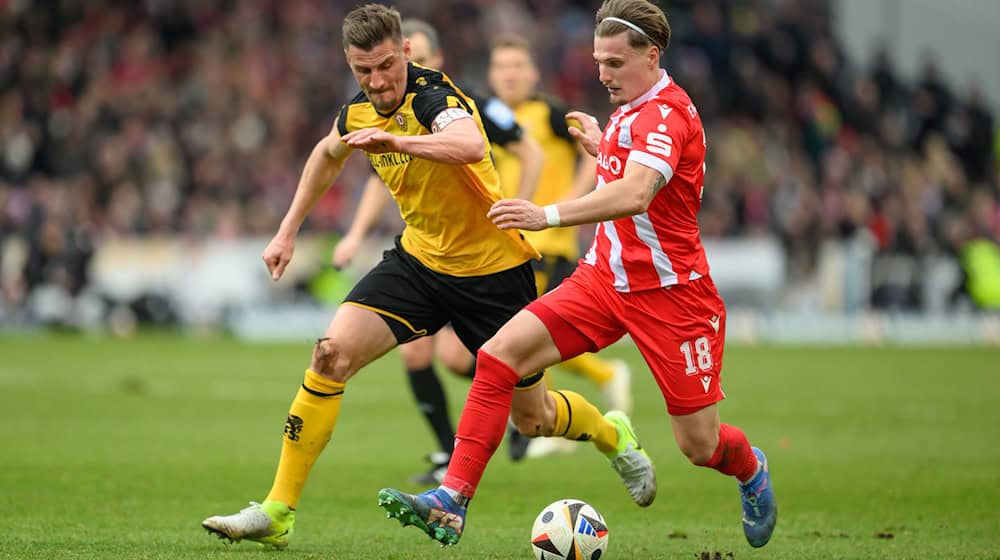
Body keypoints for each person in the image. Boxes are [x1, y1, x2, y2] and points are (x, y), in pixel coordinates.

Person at [201, 3, 652, 549]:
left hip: (494, 273)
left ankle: (611, 432)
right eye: (363, 71)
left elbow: (466, 144)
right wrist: (287, 229)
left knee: (533, 419)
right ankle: (277, 510)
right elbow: (326, 154)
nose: (377, 81)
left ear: (407, 53)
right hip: (418, 264)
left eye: (387, 66)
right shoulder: (358, 111)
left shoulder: (435, 96)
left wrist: (399, 142)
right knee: (329, 355)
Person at [378, 0, 777, 549]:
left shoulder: (667, 114)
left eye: (614, 62)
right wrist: (603, 144)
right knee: (497, 355)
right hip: (602, 282)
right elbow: (628, 168)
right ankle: (452, 499)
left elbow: (638, 192)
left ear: (652, 55)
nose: (602, 73)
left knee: (699, 446)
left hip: (672, 296)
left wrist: (547, 214)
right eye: (598, 61)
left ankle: (749, 469)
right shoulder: (630, 110)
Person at [331, 18, 546, 485]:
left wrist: (523, 209)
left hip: (489, 255)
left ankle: (533, 414)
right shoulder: (381, 110)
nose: (384, 81)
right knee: (415, 355)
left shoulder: (470, 104)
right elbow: (376, 173)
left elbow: (529, 151)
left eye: (415, 61)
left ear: (425, 59)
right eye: (370, 70)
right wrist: (354, 235)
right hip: (426, 256)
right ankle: (447, 452)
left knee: (473, 365)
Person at [488, 33, 635, 457]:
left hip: (549, 238)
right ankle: (602, 378)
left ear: (532, 73)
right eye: (502, 67)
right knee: (525, 331)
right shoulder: (492, 119)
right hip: (514, 239)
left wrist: (571, 201)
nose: (510, 75)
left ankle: (541, 424)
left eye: (518, 66)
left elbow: (597, 153)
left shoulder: (549, 113)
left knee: (527, 330)